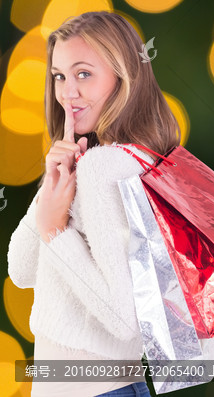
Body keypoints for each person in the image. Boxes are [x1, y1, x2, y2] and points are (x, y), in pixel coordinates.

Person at [7, 11, 180, 396]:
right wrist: (52, 190)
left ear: (123, 77)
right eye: (59, 76)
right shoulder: (101, 161)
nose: (68, 92)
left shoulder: (104, 169)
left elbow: (123, 319)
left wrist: (55, 229)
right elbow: (21, 270)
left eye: (84, 74)